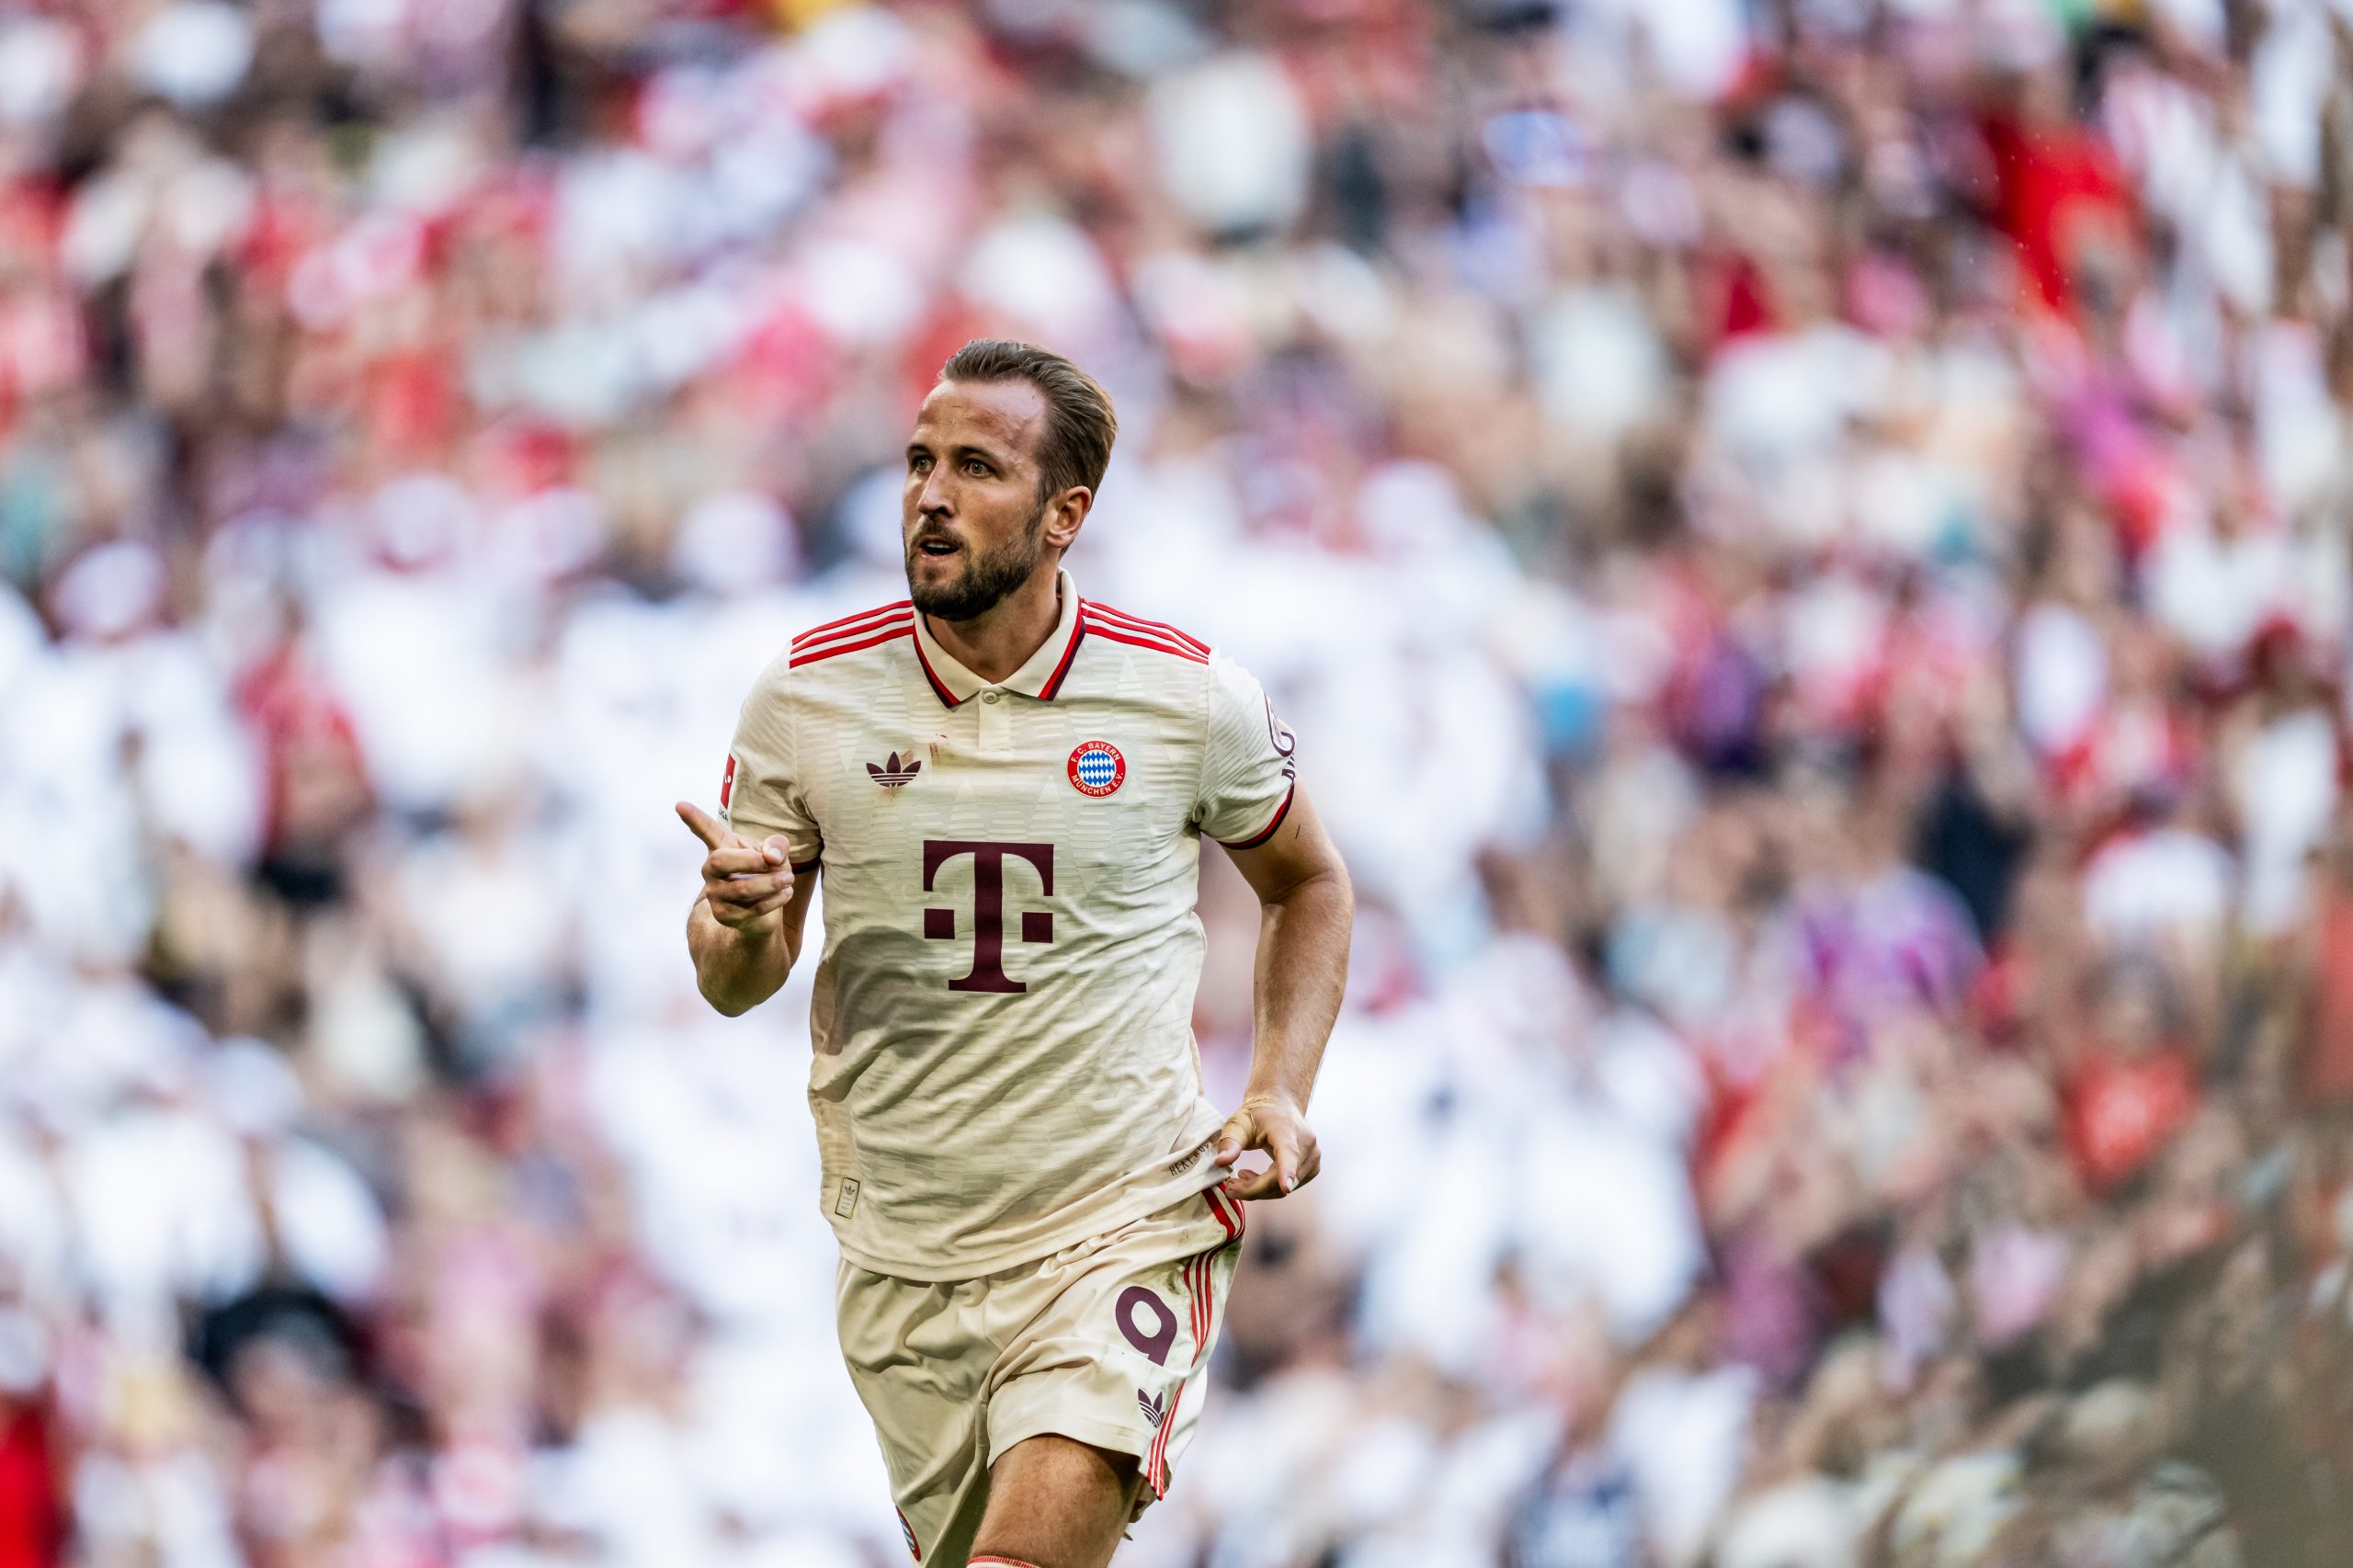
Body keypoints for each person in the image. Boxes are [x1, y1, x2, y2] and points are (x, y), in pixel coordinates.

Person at [675, 339, 1354, 1568]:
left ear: (1063, 516)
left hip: (1126, 1218)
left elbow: (1309, 883)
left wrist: (1280, 1089)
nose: (930, 495)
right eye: (919, 461)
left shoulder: (1185, 698)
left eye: (977, 468)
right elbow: (737, 980)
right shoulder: (807, 696)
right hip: (907, 1256)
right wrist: (738, 917)